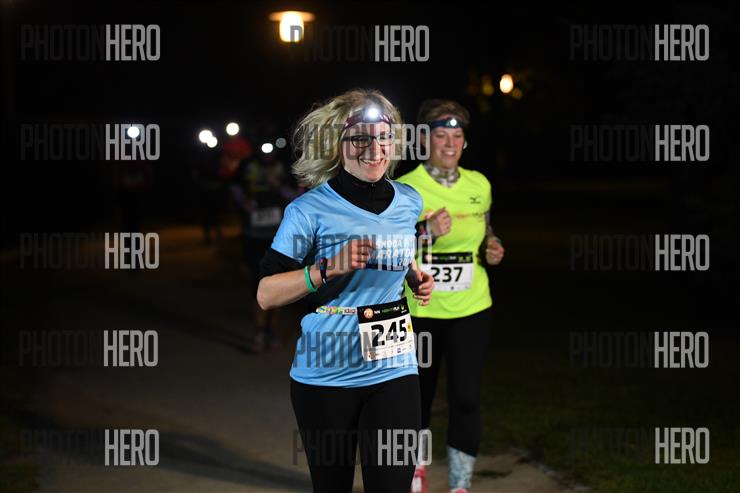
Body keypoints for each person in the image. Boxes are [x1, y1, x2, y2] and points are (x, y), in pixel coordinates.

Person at [256, 89, 435, 493]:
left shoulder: (409, 200)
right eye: (360, 138)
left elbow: (397, 249)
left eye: (384, 137)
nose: (374, 149)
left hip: (395, 366)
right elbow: (266, 294)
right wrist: (327, 269)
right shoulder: (308, 210)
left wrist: (413, 276)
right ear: (337, 143)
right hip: (326, 373)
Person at [396, 99, 505, 493]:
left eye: (457, 136)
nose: (449, 144)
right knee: (417, 399)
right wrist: (426, 232)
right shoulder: (406, 188)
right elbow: (386, 249)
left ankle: (461, 484)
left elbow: (486, 231)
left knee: (466, 398)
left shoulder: (479, 184)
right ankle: (415, 470)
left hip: (470, 308)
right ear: (425, 140)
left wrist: (492, 246)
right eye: (440, 135)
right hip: (420, 310)